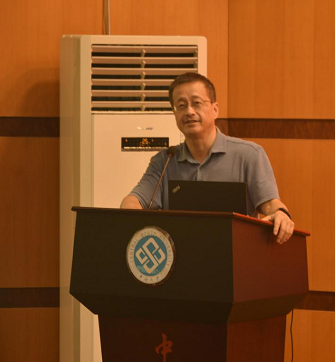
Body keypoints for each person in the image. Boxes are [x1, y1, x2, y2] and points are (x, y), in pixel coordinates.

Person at [120, 72, 294, 244]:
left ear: (215, 109)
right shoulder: (164, 160)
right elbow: (134, 200)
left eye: (197, 103)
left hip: (236, 254)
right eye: (181, 105)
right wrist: (132, 216)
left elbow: (270, 204)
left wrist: (281, 214)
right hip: (179, 256)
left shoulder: (249, 154)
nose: (189, 111)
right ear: (175, 114)